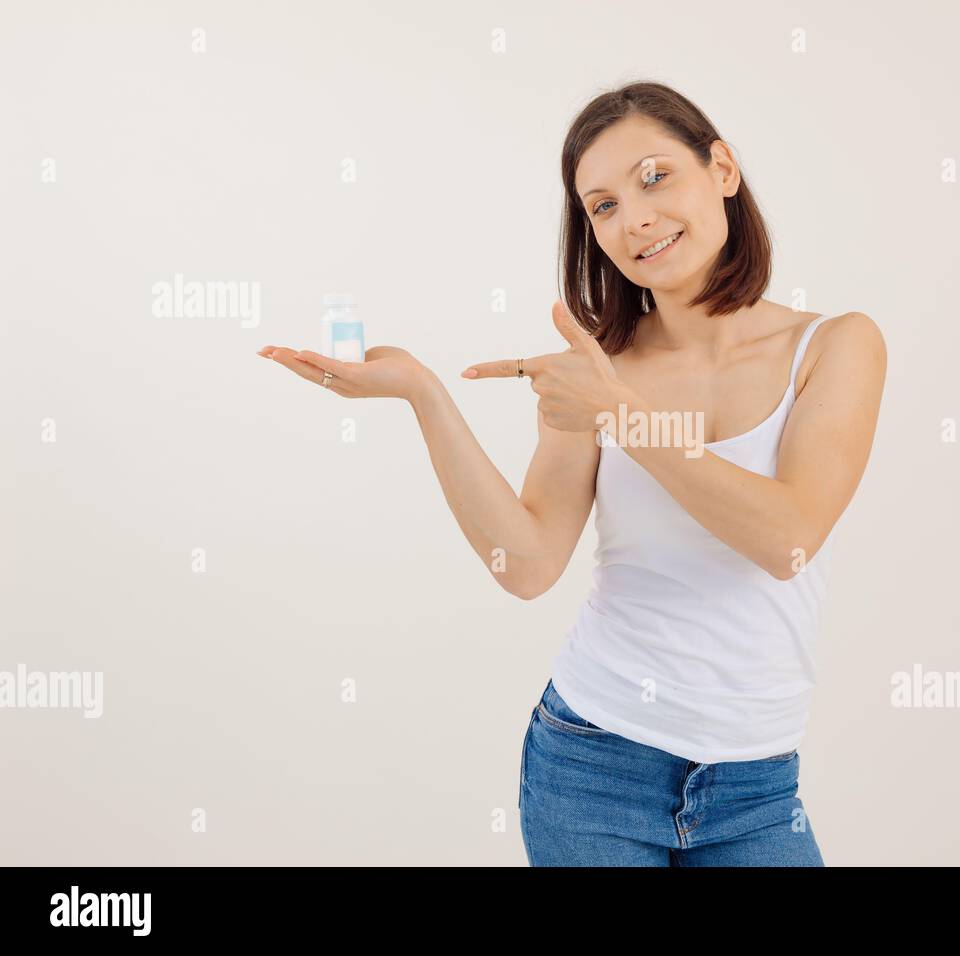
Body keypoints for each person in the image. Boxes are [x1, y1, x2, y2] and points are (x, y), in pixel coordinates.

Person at [258, 81, 887, 866]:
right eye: (604, 206)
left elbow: (788, 537)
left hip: (758, 790)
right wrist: (426, 396)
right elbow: (525, 565)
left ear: (722, 168)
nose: (637, 220)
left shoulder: (835, 346)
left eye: (655, 177)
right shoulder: (599, 367)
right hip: (594, 766)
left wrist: (620, 414)